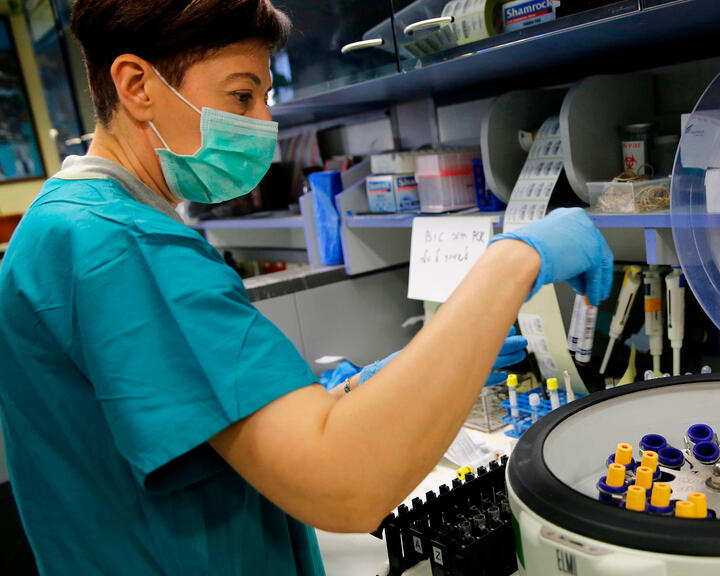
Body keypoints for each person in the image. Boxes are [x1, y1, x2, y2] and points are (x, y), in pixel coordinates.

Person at [0, 1, 613, 574]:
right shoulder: (122, 244)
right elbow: (346, 484)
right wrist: (512, 261)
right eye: (240, 96)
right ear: (137, 86)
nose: (265, 122)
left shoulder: (67, 223)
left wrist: (348, 397)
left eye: (266, 96)